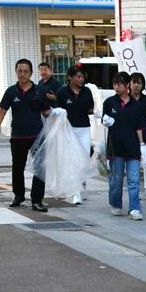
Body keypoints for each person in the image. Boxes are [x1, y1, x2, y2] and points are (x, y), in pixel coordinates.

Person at [0, 58, 52, 212]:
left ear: (31, 73)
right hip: (18, 136)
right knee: (17, 167)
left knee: (39, 168)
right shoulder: (11, 91)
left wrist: (58, 114)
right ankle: (18, 196)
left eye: (25, 71)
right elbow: (2, 111)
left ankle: (37, 200)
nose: (22, 74)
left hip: (37, 136)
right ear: (16, 72)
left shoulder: (39, 91)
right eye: (19, 71)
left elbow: (46, 112)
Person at [102, 72, 146, 220]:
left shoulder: (137, 106)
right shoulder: (109, 103)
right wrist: (105, 121)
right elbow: (104, 119)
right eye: (114, 84)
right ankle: (116, 204)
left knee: (134, 180)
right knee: (117, 179)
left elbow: (139, 127)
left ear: (127, 84)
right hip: (115, 148)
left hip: (132, 148)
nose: (116, 87)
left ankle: (134, 208)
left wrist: (142, 146)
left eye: (119, 83)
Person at [54, 64, 96, 205]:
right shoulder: (62, 92)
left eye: (82, 76)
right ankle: (76, 192)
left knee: (83, 157)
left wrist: (96, 113)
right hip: (69, 130)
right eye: (78, 76)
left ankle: (81, 181)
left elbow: (90, 108)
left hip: (84, 128)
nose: (81, 79)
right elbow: (57, 112)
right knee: (73, 159)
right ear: (70, 77)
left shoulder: (87, 92)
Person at [129, 72, 146, 202]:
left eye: (139, 83)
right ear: (129, 83)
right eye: (134, 82)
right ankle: (135, 189)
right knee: (134, 164)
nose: (136, 85)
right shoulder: (126, 99)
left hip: (145, 134)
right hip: (130, 135)